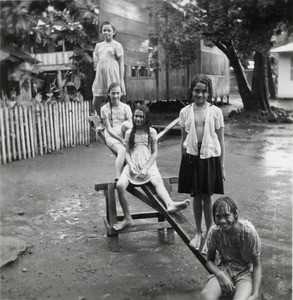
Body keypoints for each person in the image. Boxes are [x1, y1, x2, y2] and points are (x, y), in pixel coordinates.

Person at [114, 105, 191, 231]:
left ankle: (170, 204)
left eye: (141, 116)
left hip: (148, 164)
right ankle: (127, 218)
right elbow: (126, 152)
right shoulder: (129, 132)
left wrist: (146, 168)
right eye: (136, 116)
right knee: (120, 185)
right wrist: (132, 165)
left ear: (146, 118)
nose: (138, 119)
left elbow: (155, 152)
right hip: (132, 164)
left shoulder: (151, 132)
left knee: (157, 181)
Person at [178, 74, 225, 255]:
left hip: (210, 157)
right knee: (196, 196)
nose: (200, 94)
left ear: (209, 93)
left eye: (203, 91)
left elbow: (221, 142)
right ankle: (198, 232)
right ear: (191, 91)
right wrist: (183, 165)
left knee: (207, 196)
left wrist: (221, 167)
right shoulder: (185, 112)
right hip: (192, 156)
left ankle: (210, 234)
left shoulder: (215, 112)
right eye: (196, 91)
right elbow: (183, 140)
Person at [201, 196, 262, 300]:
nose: (222, 221)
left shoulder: (248, 232)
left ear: (235, 215)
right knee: (205, 296)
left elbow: (256, 265)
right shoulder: (214, 232)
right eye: (218, 216)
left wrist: (255, 294)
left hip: (245, 273)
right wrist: (220, 275)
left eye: (226, 216)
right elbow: (209, 261)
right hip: (224, 268)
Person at [92, 21, 126, 117]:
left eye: (109, 30)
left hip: (113, 73)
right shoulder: (98, 46)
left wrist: (121, 80)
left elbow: (121, 63)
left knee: (114, 100)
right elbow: (97, 63)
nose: (106, 32)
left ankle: (114, 121)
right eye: (104, 30)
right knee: (95, 102)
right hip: (100, 75)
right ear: (101, 32)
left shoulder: (117, 45)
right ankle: (102, 119)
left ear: (113, 32)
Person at [100, 82, 132, 178]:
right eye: (113, 93)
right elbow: (109, 129)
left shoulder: (126, 107)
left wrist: (126, 138)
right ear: (109, 93)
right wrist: (120, 140)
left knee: (126, 124)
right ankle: (119, 176)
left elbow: (131, 125)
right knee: (122, 150)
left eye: (118, 93)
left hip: (124, 133)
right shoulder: (104, 109)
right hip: (112, 134)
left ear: (121, 93)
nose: (116, 96)